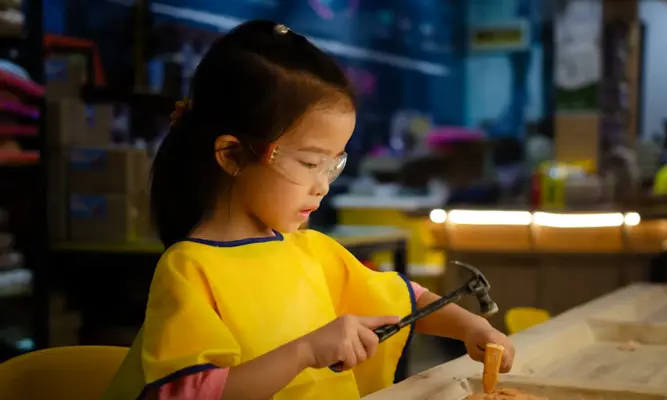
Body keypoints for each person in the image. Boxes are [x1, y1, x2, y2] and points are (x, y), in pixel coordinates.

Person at [101, 20, 514, 400]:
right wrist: (306, 350)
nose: (323, 185)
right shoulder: (190, 269)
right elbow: (190, 393)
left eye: (333, 164)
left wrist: (468, 326)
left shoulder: (310, 251)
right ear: (231, 154)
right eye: (309, 163)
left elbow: (403, 299)